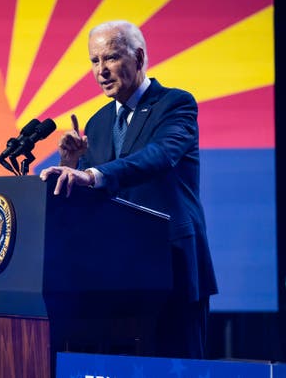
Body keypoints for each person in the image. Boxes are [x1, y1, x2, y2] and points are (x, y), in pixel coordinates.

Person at [40, 20, 218, 359]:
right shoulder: (98, 122)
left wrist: (91, 174)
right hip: (117, 276)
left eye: (110, 58)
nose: (101, 70)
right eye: (94, 61)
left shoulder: (175, 104)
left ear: (138, 57)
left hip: (172, 267)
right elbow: (95, 198)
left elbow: (158, 156)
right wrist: (72, 164)